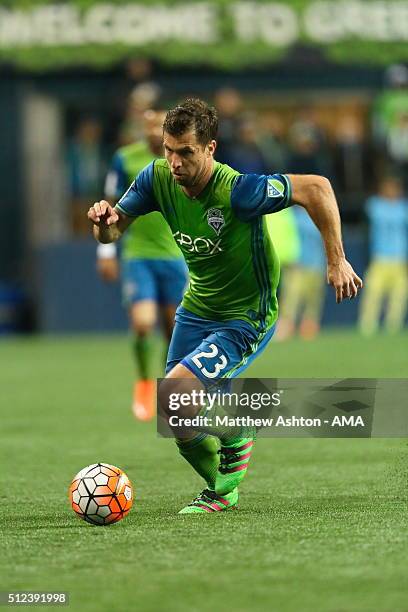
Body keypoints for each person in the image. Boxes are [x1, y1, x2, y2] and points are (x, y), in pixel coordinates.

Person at [88, 98, 363, 514]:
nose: (175, 162)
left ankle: (233, 441)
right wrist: (103, 222)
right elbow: (110, 234)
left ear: (210, 149)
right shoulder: (155, 177)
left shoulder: (239, 191)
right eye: (168, 149)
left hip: (245, 316)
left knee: (179, 393)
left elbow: (317, 187)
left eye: (186, 153)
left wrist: (337, 258)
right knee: (173, 413)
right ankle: (222, 488)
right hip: (197, 308)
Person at [97, 110, 187, 420]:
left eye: (158, 128)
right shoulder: (126, 159)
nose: (152, 133)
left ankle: (168, 389)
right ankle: (144, 382)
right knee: (143, 322)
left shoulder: (180, 161)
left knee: (174, 329)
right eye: (148, 127)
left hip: (176, 254)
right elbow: (109, 204)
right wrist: (106, 253)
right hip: (138, 253)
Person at [359, 176, 408, 335]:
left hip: (399, 258)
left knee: (399, 296)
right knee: (373, 293)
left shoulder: (403, 207)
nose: (391, 191)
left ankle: (393, 326)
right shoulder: (375, 205)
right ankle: (367, 326)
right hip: (379, 257)